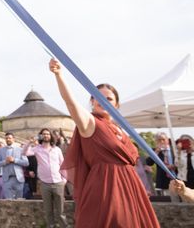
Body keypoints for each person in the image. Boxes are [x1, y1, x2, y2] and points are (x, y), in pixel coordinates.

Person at [49, 58, 159, 227]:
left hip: (132, 190)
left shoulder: (122, 130)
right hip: (106, 189)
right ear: (92, 101)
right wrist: (59, 75)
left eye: (109, 98)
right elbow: (71, 104)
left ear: (117, 104)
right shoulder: (91, 123)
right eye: (97, 96)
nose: (102, 100)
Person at [24, 128, 67, 228]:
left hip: (58, 182)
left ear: (51, 136)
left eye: (48, 134)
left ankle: (64, 226)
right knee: (48, 210)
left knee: (60, 210)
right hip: (45, 183)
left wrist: (64, 180)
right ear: (41, 136)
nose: (46, 135)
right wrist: (29, 142)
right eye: (44, 134)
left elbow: (63, 164)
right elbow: (24, 153)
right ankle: (50, 226)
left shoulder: (57, 150)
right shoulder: (36, 149)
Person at [0, 132, 29, 199]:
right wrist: (5, 162)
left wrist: (15, 160)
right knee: (8, 200)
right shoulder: (1, 150)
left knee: (19, 199)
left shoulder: (20, 150)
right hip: (7, 178)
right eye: (6, 138)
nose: (8, 139)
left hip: (18, 178)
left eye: (9, 138)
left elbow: (26, 163)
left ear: (13, 139)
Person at [146, 132, 176, 198]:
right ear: (156, 141)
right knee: (166, 202)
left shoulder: (174, 149)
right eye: (159, 140)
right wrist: (156, 152)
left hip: (176, 179)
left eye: (163, 139)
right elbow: (148, 163)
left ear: (167, 140)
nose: (162, 142)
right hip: (163, 181)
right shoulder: (154, 151)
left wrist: (174, 166)